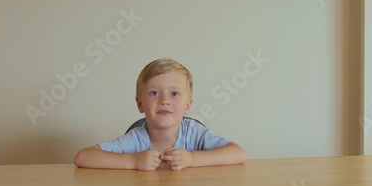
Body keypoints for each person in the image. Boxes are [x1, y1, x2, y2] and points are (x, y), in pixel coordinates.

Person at [74, 58, 247, 171]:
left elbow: (238, 153)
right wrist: (134, 162)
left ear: (188, 105)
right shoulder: (136, 139)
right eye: (154, 93)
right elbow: (83, 157)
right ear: (140, 104)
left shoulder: (194, 133)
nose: (164, 100)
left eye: (174, 94)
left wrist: (191, 158)